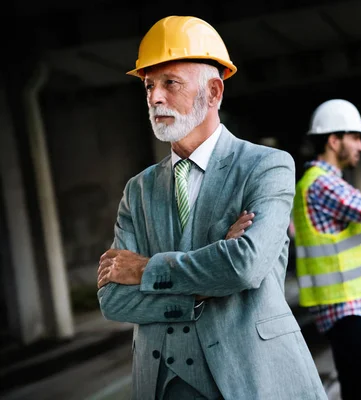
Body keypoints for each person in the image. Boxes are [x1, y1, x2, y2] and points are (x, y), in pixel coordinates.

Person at [96, 15, 327, 400]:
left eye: (170, 83)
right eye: (150, 85)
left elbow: (244, 265)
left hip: (251, 374)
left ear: (214, 93)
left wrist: (145, 270)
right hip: (162, 384)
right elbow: (113, 299)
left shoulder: (266, 166)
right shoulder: (138, 190)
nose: (154, 97)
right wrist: (207, 284)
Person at [292, 99, 361, 400]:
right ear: (333, 140)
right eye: (355, 138)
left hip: (346, 307)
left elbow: (333, 246)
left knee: (359, 391)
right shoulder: (323, 185)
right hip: (350, 310)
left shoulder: (319, 183)